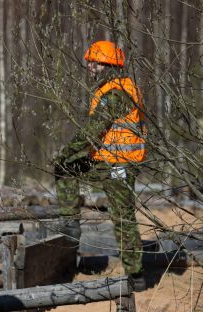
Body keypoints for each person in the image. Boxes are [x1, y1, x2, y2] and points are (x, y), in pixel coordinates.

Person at [54, 40, 146, 281]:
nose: (90, 67)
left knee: (123, 216)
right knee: (65, 169)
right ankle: (70, 225)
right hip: (104, 160)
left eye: (94, 63)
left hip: (119, 164)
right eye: (90, 63)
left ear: (108, 65)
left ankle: (135, 274)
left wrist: (66, 151)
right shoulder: (108, 89)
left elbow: (93, 130)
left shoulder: (117, 93)